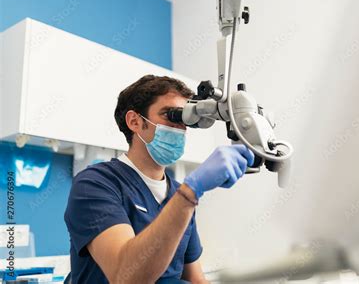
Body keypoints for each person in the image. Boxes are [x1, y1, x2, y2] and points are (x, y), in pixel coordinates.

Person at [64, 75, 254, 283]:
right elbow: (125, 276)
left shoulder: (178, 194)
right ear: (135, 122)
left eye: (184, 118)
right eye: (171, 115)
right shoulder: (95, 184)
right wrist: (191, 192)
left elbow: (195, 278)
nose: (180, 127)